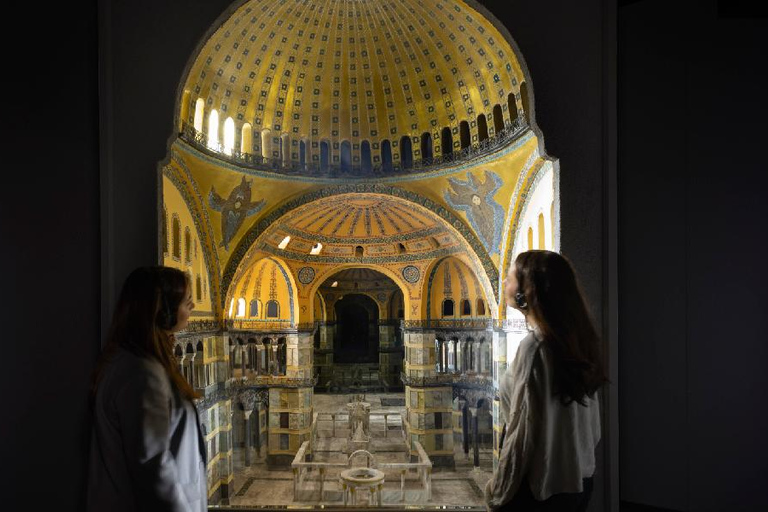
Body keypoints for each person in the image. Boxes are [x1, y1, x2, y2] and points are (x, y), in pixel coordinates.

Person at [485, 250, 607, 511]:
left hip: (539, 491)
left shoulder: (537, 348)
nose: (504, 284)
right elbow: (593, 428)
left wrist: (500, 492)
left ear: (527, 291)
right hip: (578, 482)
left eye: (510, 278)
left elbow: (522, 433)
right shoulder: (578, 341)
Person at [86, 266, 207, 512]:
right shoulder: (141, 374)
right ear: (164, 312)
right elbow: (154, 466)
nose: (192, 307)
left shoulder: (135, 364)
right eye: (187, 302)